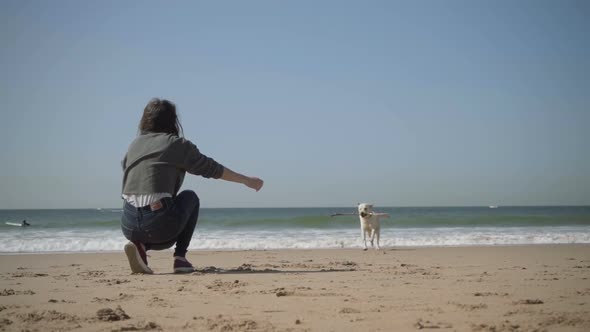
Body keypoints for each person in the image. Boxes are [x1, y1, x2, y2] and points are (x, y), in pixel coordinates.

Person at [120, 98, 263, 274]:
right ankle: (180, 258)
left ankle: (140, 247)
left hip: (128, 223)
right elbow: (212, 168)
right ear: (173, 121)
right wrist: (247, 180)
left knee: (160, 224)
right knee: (190, 197)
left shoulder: (134, 145)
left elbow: (126, 167)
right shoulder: (175, 144)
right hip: (159, 224)